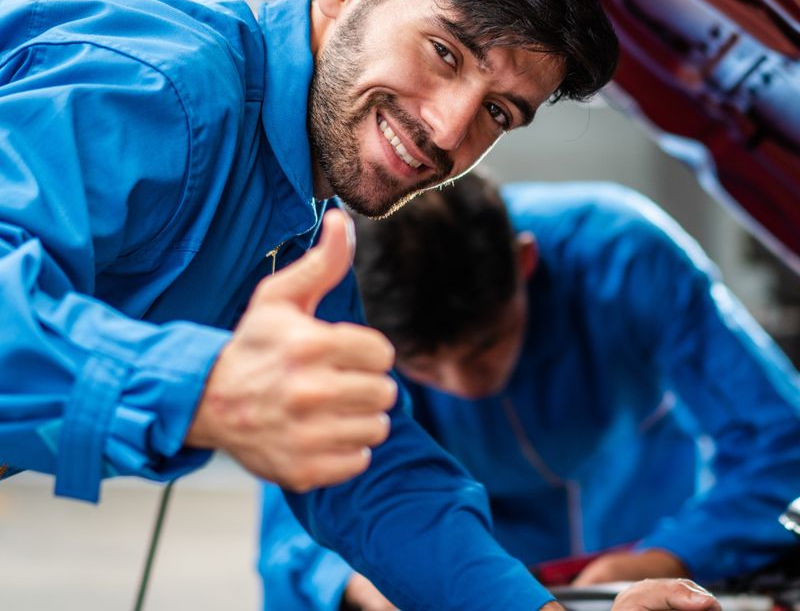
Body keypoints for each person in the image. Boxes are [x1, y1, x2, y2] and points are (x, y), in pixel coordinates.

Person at [0, 0, 712, 611]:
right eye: (444, 52)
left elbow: (368, 469)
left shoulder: (299, 217)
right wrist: (203, 388)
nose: (448, 130)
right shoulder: (166, 94)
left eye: (498, 112)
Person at [259, 173, 800, 610]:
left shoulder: (623, 254)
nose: (463, 384)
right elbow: (302, 515)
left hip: (643, 555)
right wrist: (374, 587)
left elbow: (782, 444)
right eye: (424, 366)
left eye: (484, 347)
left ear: (525, 262)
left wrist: (671, 557)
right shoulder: (341, 316)